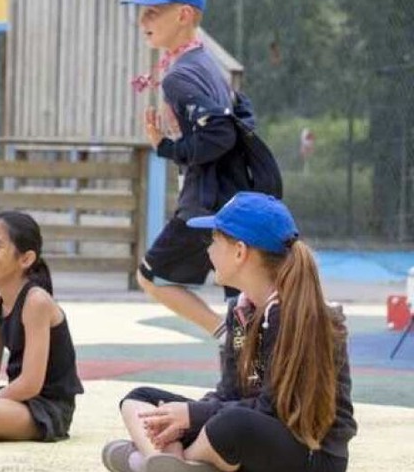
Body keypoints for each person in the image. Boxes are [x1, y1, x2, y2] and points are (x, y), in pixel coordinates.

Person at [103, 193, 356, 472]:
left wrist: (193, 417)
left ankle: (167, 461)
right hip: (253, 436)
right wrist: (180, 419)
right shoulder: (241, 310)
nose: (208, 251)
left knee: (231, 424)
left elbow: (273, 410)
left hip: (310, 454)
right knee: (142, 398)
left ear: (239, 251)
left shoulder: (297, 314)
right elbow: (230, 392)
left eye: (214, 240)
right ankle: (169, 463)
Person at [121, 0, 257, 337]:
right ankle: (244, 359)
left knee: (152, 276)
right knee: (241, 297)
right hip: (230, 195)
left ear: (184, 15)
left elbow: (219, 135)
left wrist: (167, 147)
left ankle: (228, 339)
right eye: (141, 12)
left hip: (209, 201)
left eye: (152, 11)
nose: (142, 20)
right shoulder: (203, 63)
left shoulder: (182, 74)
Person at [0, 212, 83, 442]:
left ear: (25, 259)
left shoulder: (36, 301)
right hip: (13, 401)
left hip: (44, 410)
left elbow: (30, 384)